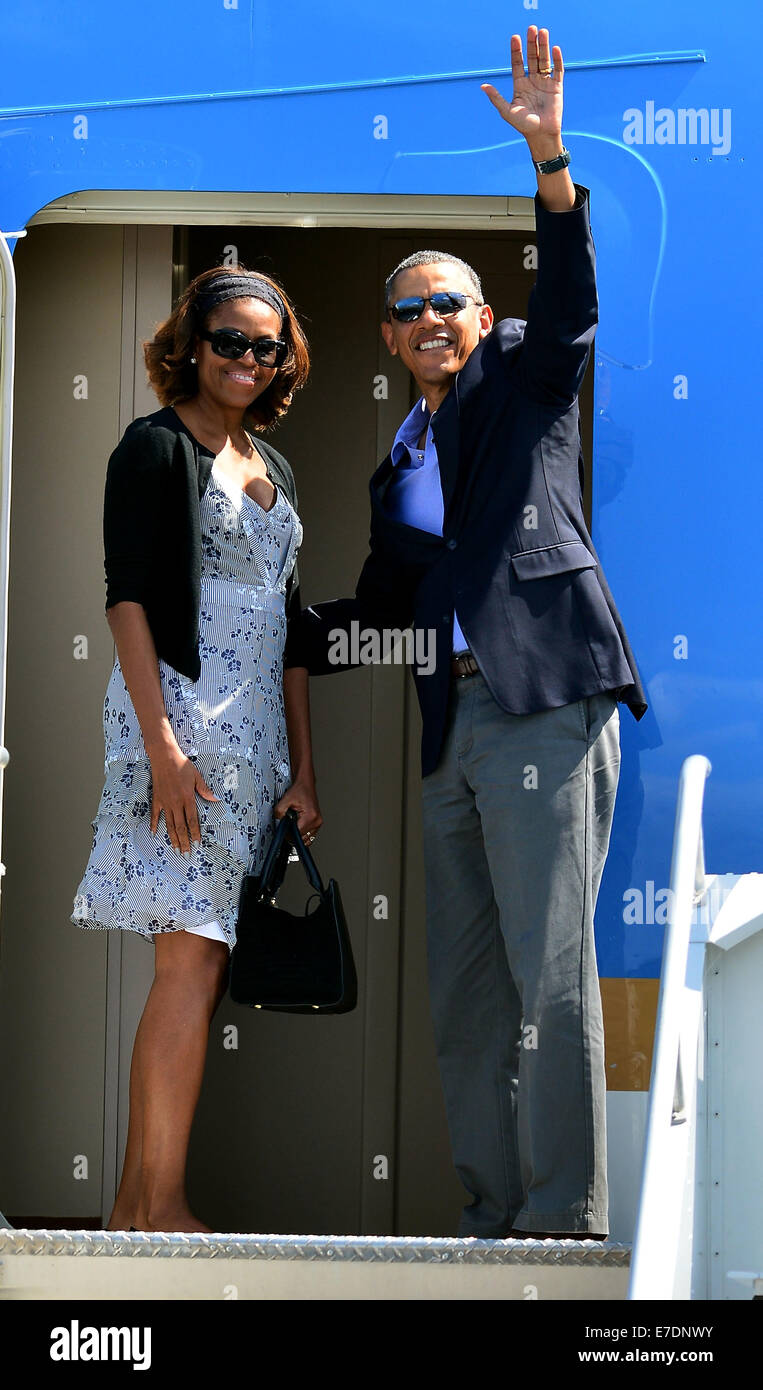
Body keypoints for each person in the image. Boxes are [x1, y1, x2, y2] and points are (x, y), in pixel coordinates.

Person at [284, 26, 648, 1239]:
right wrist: (266, 631)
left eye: (449, 299)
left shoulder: (523, 380)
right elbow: (383, 613)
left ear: (481, 314)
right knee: (467, 990)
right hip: (452, 730)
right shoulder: (398, 469)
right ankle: (491, 1214)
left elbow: (576, 307)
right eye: (408, 307)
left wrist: (548, 160)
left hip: (544, 700)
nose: (431, 315)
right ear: (387, 337)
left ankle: (562, 1216)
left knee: (550, 975)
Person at [71, 265, 322, 1234]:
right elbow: (127, 595)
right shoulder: (152, 447)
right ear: (192, 343)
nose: (248, 360)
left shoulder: (276, 464)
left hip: (256, 739)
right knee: (188, 961)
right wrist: (162, 746)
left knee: (204, 962)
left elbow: (294, 625)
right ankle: (159, 1203)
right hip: (177, 723)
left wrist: (306, 768)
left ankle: (136, 1205)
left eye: (267, 347)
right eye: (230, 341)